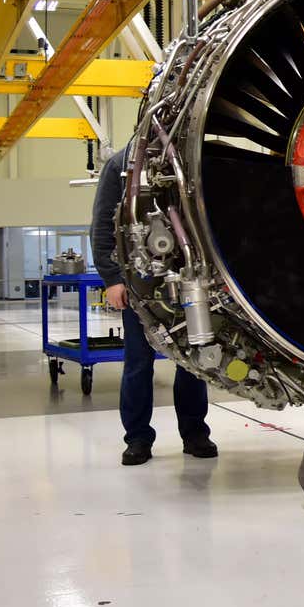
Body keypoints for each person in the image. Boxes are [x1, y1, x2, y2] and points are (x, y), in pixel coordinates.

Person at [90, 147, 217, 466]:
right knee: (138, 362)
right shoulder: (120, 165)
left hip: (188, 278)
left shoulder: (187, 158)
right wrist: (113, 279)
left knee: (193, 360)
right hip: (140, 282)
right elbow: (103, 226)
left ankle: (194, 433)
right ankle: (137, 438)